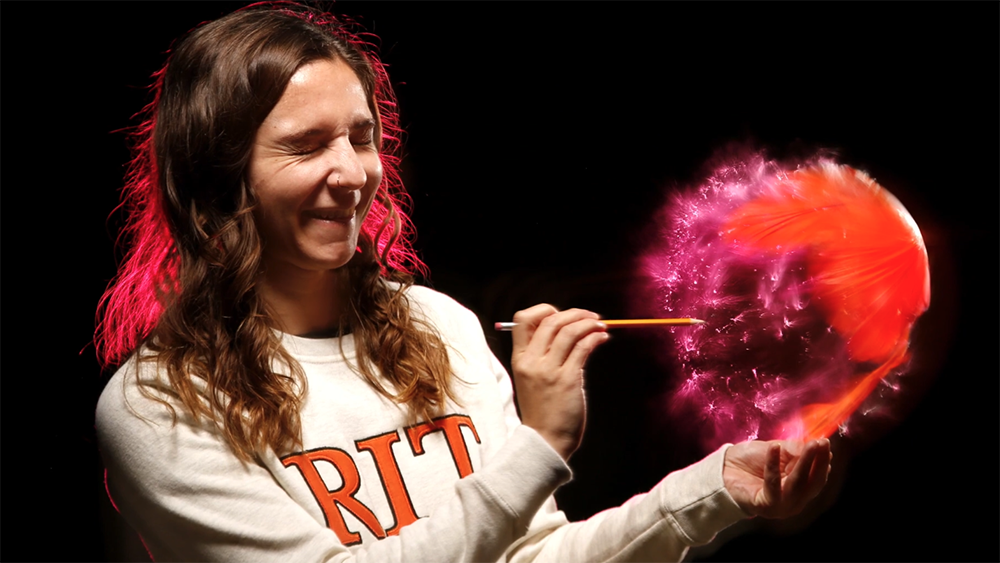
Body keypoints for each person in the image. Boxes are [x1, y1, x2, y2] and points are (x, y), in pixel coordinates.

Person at [95, 4, 831, 562]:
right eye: (306, 145)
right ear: (220, 174)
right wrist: (540, 443)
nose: (352, 174)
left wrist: (714, 487)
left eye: (361, 137)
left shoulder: (436, 325)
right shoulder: (156, 406)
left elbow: (529, 557)